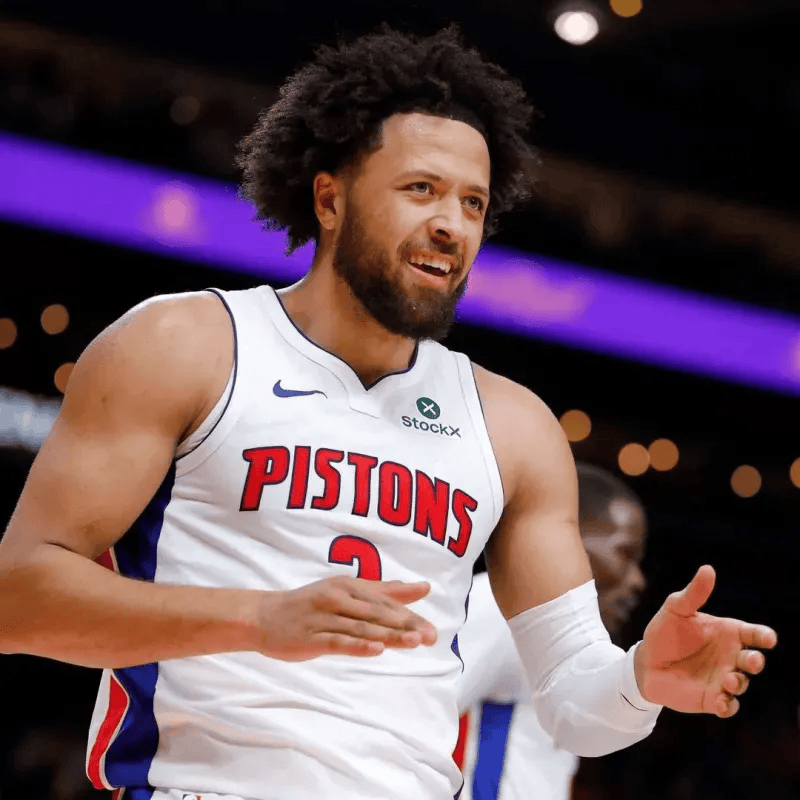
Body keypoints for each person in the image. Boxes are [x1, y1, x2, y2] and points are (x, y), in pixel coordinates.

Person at [0, 24, 776, 800]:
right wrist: (255, 619)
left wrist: (641, 678)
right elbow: (16, 598)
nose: (451, 223)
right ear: (329, 198)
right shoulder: (185, 345)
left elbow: (575, 703)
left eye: (473, 203)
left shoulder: (513, 427)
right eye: (421, 189)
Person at [455, 463, 648, 800]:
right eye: (625, 553)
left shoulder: (567, 632)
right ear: (568, 533)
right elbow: (407, 721)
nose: (637, 580)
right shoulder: (500, 608)